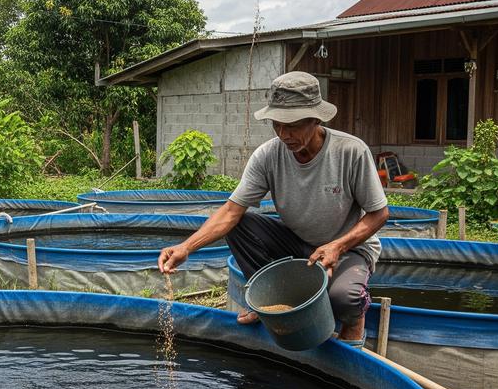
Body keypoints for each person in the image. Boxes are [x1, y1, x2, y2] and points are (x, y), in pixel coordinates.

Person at [158, 71, 388, 345]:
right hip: (297, 242)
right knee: (240, 224)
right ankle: (269, 300)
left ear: (316, 119)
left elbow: (379, 213)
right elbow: (231, 211)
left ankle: (355, 322)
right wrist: (186, 247)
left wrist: (337, 246)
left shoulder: (350, 152)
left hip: (347, 247)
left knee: (343, 298)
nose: (283, 134)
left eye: (292, 125)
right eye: (276, 125)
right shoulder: (268, 155)